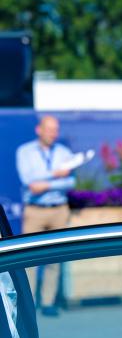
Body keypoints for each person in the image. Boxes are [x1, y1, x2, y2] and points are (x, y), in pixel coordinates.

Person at [15, 115, 75, 316]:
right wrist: (56, 174)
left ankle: (48, 302)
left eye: (56, 130)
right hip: (34, 211)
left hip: (59, 209)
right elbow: (28, 180)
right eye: (49, 129)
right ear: (39, 130)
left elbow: (70, 182)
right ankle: (28, 304)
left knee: (54, 258)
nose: (53, 133)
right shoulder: (24, 152)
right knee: (28, 259)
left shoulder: (64, 152)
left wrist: (47, 184)